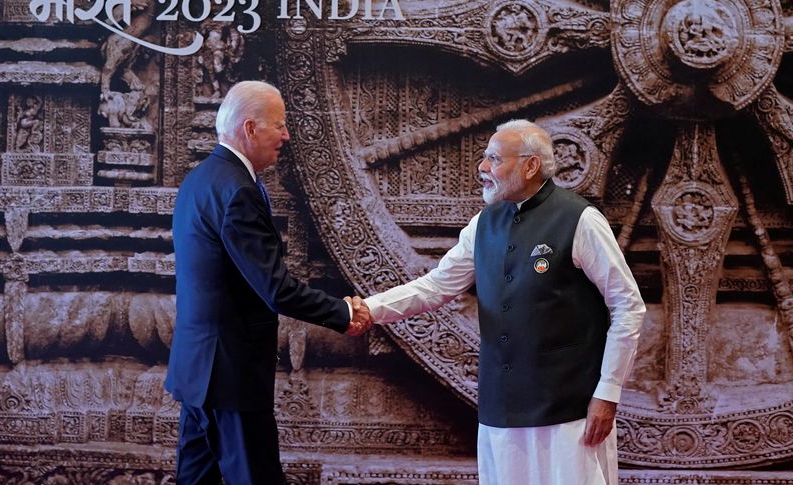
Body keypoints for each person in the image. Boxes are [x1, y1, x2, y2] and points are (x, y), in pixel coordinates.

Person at [362, 119, 645, 484]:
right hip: (501, 409)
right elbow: (436, 286)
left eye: (494, 159)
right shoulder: (483, 224)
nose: (482, 168)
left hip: (568, 411)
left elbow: (627, 305)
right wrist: (367, 309)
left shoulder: (580, 220)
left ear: (530, 166)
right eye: (484, 158)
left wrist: (608, 393)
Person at [166, 80, 372, 484]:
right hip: (231, 376)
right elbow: (275, 288)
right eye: (279, 125)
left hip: (197, 371)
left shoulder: (199, 179)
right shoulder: (238, 191)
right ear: (250, 128)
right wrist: (342, 312)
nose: (286, 135)